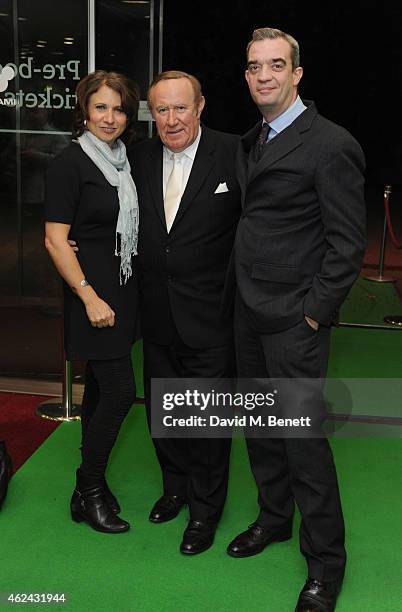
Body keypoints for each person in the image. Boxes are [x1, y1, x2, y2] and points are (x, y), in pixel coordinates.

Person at [227, 28, 366, 611]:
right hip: (247, 313)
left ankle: (326, 563)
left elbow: (347, 244)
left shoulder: (330, 143)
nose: (264, 76)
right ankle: (273, 518)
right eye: (255, 66)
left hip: (293, 322)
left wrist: (313, 315)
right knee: (259, 433)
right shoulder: (252, 137)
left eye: (276, 65)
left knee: (303, 442)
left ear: (297, 74)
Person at [129, 71, 241, 555]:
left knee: (208, 423)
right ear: (151, 114)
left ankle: (204, 511)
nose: (171, 120)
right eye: (161, 110)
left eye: (180, 108)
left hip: (212, 316)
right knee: (162, 412)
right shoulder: (137, 157)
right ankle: (174, 487)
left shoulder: (235, 152)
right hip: (155, 314)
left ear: (200, 106)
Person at [45, 70, 140, 534]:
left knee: (102, 389)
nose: (110, 117)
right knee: (121, 390)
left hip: (121, 290)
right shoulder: (71, 163)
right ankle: (90, 486)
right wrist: (88, 296)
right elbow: (54, 239)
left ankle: (86, 493)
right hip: (92, 297)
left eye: (119, 108)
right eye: (100, 107)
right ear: (84, 110)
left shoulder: (124, 161)